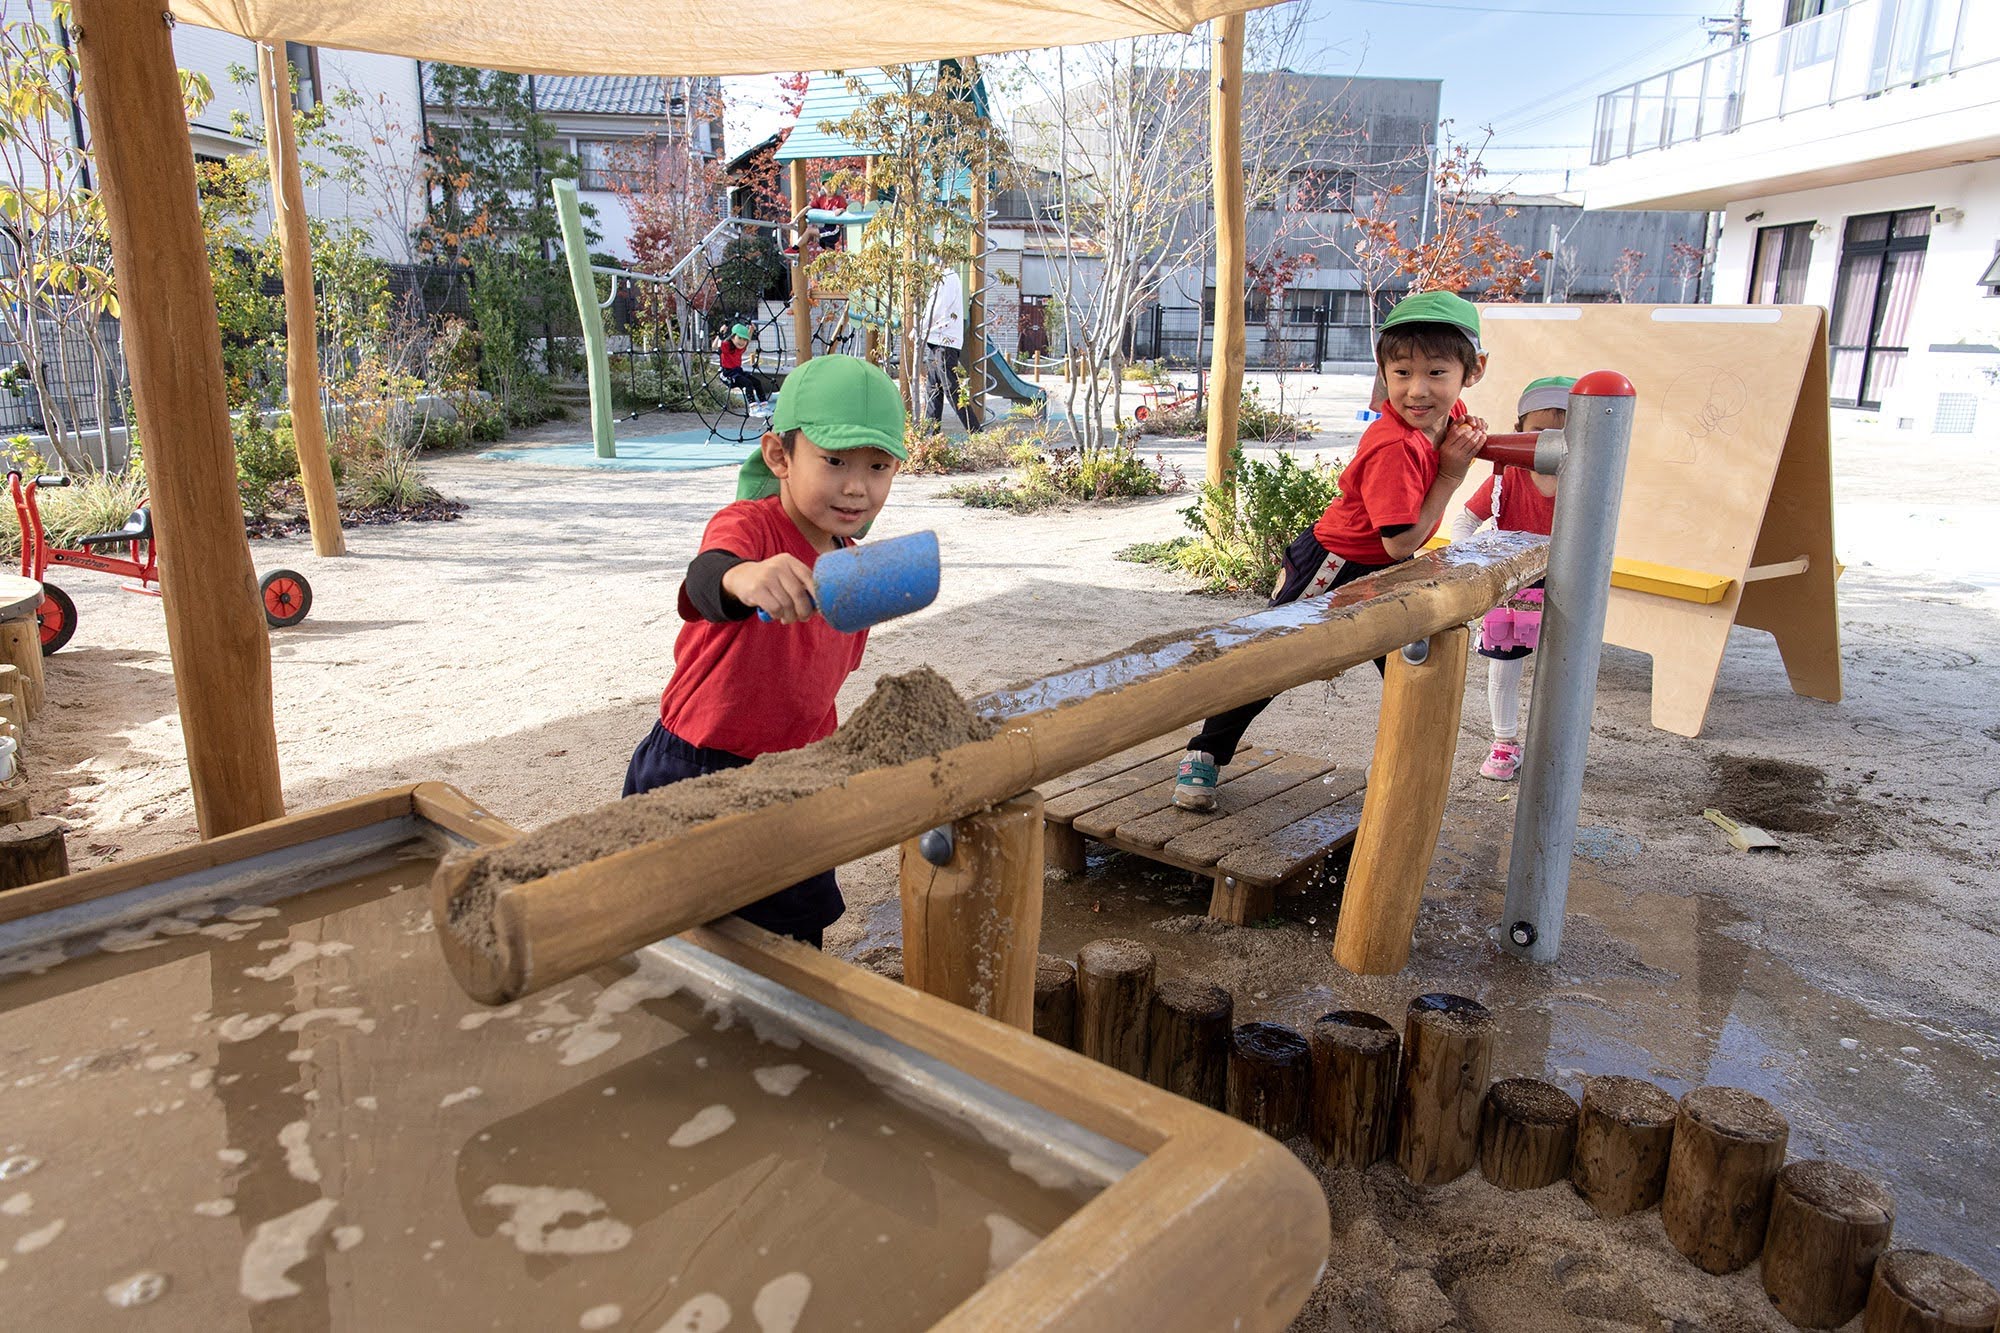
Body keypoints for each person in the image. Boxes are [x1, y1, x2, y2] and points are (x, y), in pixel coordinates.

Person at [624, 354, 908, 946]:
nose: (857, 486)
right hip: (698, 766)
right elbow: (707, 578)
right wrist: (744, 578)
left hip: (797, 775)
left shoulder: (853, 568)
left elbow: (820, 677)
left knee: (792, 935)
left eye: (878, 466)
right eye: (834, 461)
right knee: (674, 933)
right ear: (780, 455)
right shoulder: (750, 528)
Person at [1173, 290, 1490, 812]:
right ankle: (1204, 752)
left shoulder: (1445, 414)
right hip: (1336, 564)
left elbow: (1401, 538)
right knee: (1276, 657)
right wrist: (1453, 473)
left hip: (1385, 565)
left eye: (1436, 372)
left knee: (1412, 662)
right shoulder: (1395, 446)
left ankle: (1406, 773)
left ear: (1471, 371)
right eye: (1403, 373)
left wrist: (1465, 435)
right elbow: (1401, 541)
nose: (1417, 390)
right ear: (1383, 371)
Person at [1450, 374, 1573, 782]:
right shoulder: (1510, 476)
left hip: (1567, 587)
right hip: (1515, 586)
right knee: (1504, 666)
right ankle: (1504, 740)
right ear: (1519, 433)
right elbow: (1467, 517)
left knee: (1562, 668)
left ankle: (1557, 743)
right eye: (1540, 432)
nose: (1552, 442)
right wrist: (1471, 561)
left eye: (1565, 430)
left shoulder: (1583, 483)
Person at [922, 267, 980, 430]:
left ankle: (976, 433)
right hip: (936, 341)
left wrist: (920, 327)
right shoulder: (941, 278)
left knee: (951, 391)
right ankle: (929, 438)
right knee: (933, 391)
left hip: (945, 342)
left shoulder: (947, 276)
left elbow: (939, 309)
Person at [714, 323, 769, 406]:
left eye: (744, 339)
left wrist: (751, 331)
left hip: (738, 372)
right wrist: (720, 334)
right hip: (727, 374)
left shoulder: (740, 349)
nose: (742, 342)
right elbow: (714, 346)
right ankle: (753, 406)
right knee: (748, 383)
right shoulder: (727, 346)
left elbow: (747, 341)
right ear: (732, 337)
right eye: (739, 338)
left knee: (757, 382)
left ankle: (763, 404)